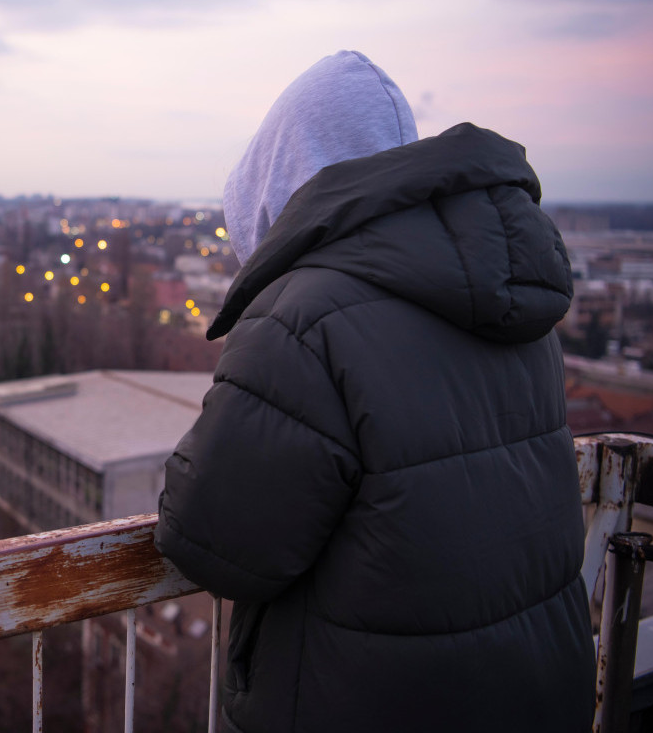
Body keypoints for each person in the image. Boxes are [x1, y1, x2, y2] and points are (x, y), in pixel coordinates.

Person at [154, 50, 595, 733]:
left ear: (279, 190)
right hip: (538, 696)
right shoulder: (518, 306)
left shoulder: (304, 318)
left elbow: (213, 538)